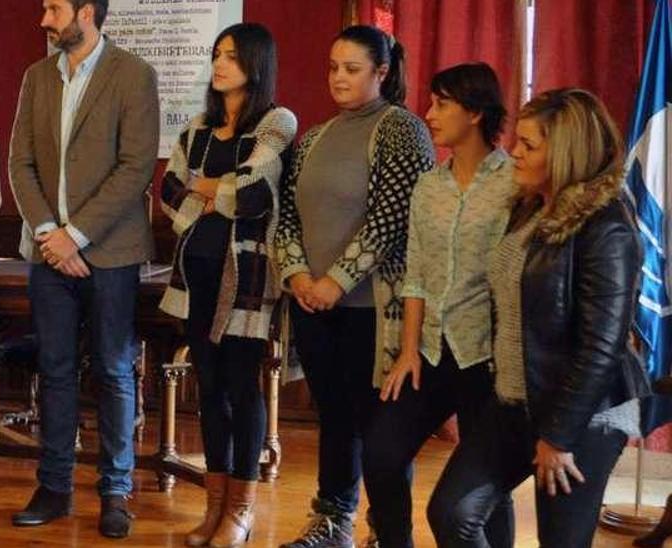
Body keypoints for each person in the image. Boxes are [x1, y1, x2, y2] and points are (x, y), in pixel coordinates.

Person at [427, 88, 649, 548]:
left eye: (529, 145)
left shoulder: (606, 227)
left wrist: (559, 435)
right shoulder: (531, 206)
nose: (514, 152)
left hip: (585, 417)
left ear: (566, 152)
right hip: (514, 401)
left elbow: (601, 347)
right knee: (452, 512)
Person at [271, 25, 435, 548]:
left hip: (376, 309)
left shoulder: (402, 129)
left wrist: (335, 283)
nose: (338, 78)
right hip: (313, 305)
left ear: (381, 73)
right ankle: (333, 519)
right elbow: (287, 215)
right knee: (336, 418)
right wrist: (298, 276)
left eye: (352, 69)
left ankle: (387, 532)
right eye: (333, 67)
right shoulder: (316, 135)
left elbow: (391, 221)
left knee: (383, 431)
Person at [7, 0, 159, 539]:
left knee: (115, 372)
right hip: (49, 255)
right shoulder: (36, 76)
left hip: (111, 254)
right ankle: (54, 486)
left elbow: (136, 165)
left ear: (87, 12)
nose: (43, 20)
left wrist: (77, 234)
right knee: (54, 369)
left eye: (53, 9)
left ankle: (115, 492)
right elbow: (19, 162)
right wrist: (51, 233)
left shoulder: (134, 74)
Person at [359, 62, 518, 548]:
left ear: (474, 112)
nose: (429, 113)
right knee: (381, 453)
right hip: (427, 351)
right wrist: (407, 350)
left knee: (485, 488)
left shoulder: (514, 183)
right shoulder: (428, 186)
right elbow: (416, 275)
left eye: (441, 104)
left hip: (488, 358)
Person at [156, 22, 296, 548]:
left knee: (242, 386)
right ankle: (214, 506)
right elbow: (170, 194)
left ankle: (242, 508)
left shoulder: (276, 121)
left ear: (256, 64)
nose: (219, 64)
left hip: (248, 277)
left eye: (232, 56)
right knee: (209, 389)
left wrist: (212, 189)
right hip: (197, 276)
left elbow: (259, 190)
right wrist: (213, 192)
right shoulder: (195, 130)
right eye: (216, 54)